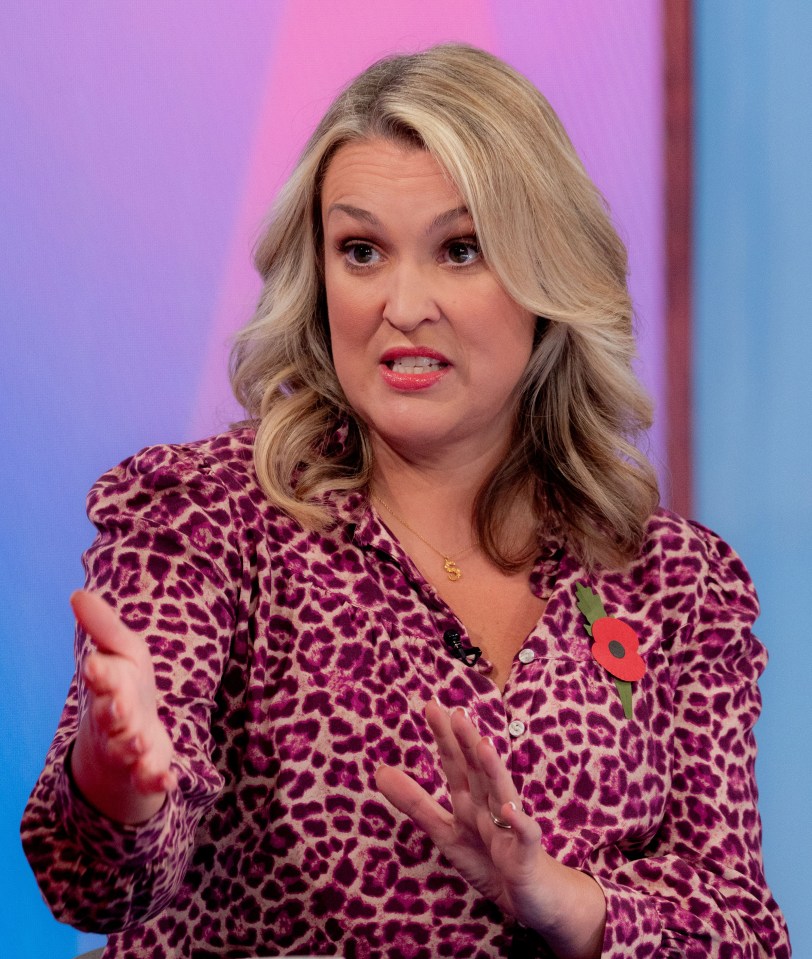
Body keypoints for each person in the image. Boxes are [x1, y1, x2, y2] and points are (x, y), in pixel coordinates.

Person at [21, 43, 790, 959]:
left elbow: (738, 932)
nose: (403, 303)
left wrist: (561, 898)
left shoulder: (676, 584)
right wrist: (119, 784)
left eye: (460, 250)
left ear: (546, 278)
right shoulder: (204, 518)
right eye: (361, 251)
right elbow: (94, 878)